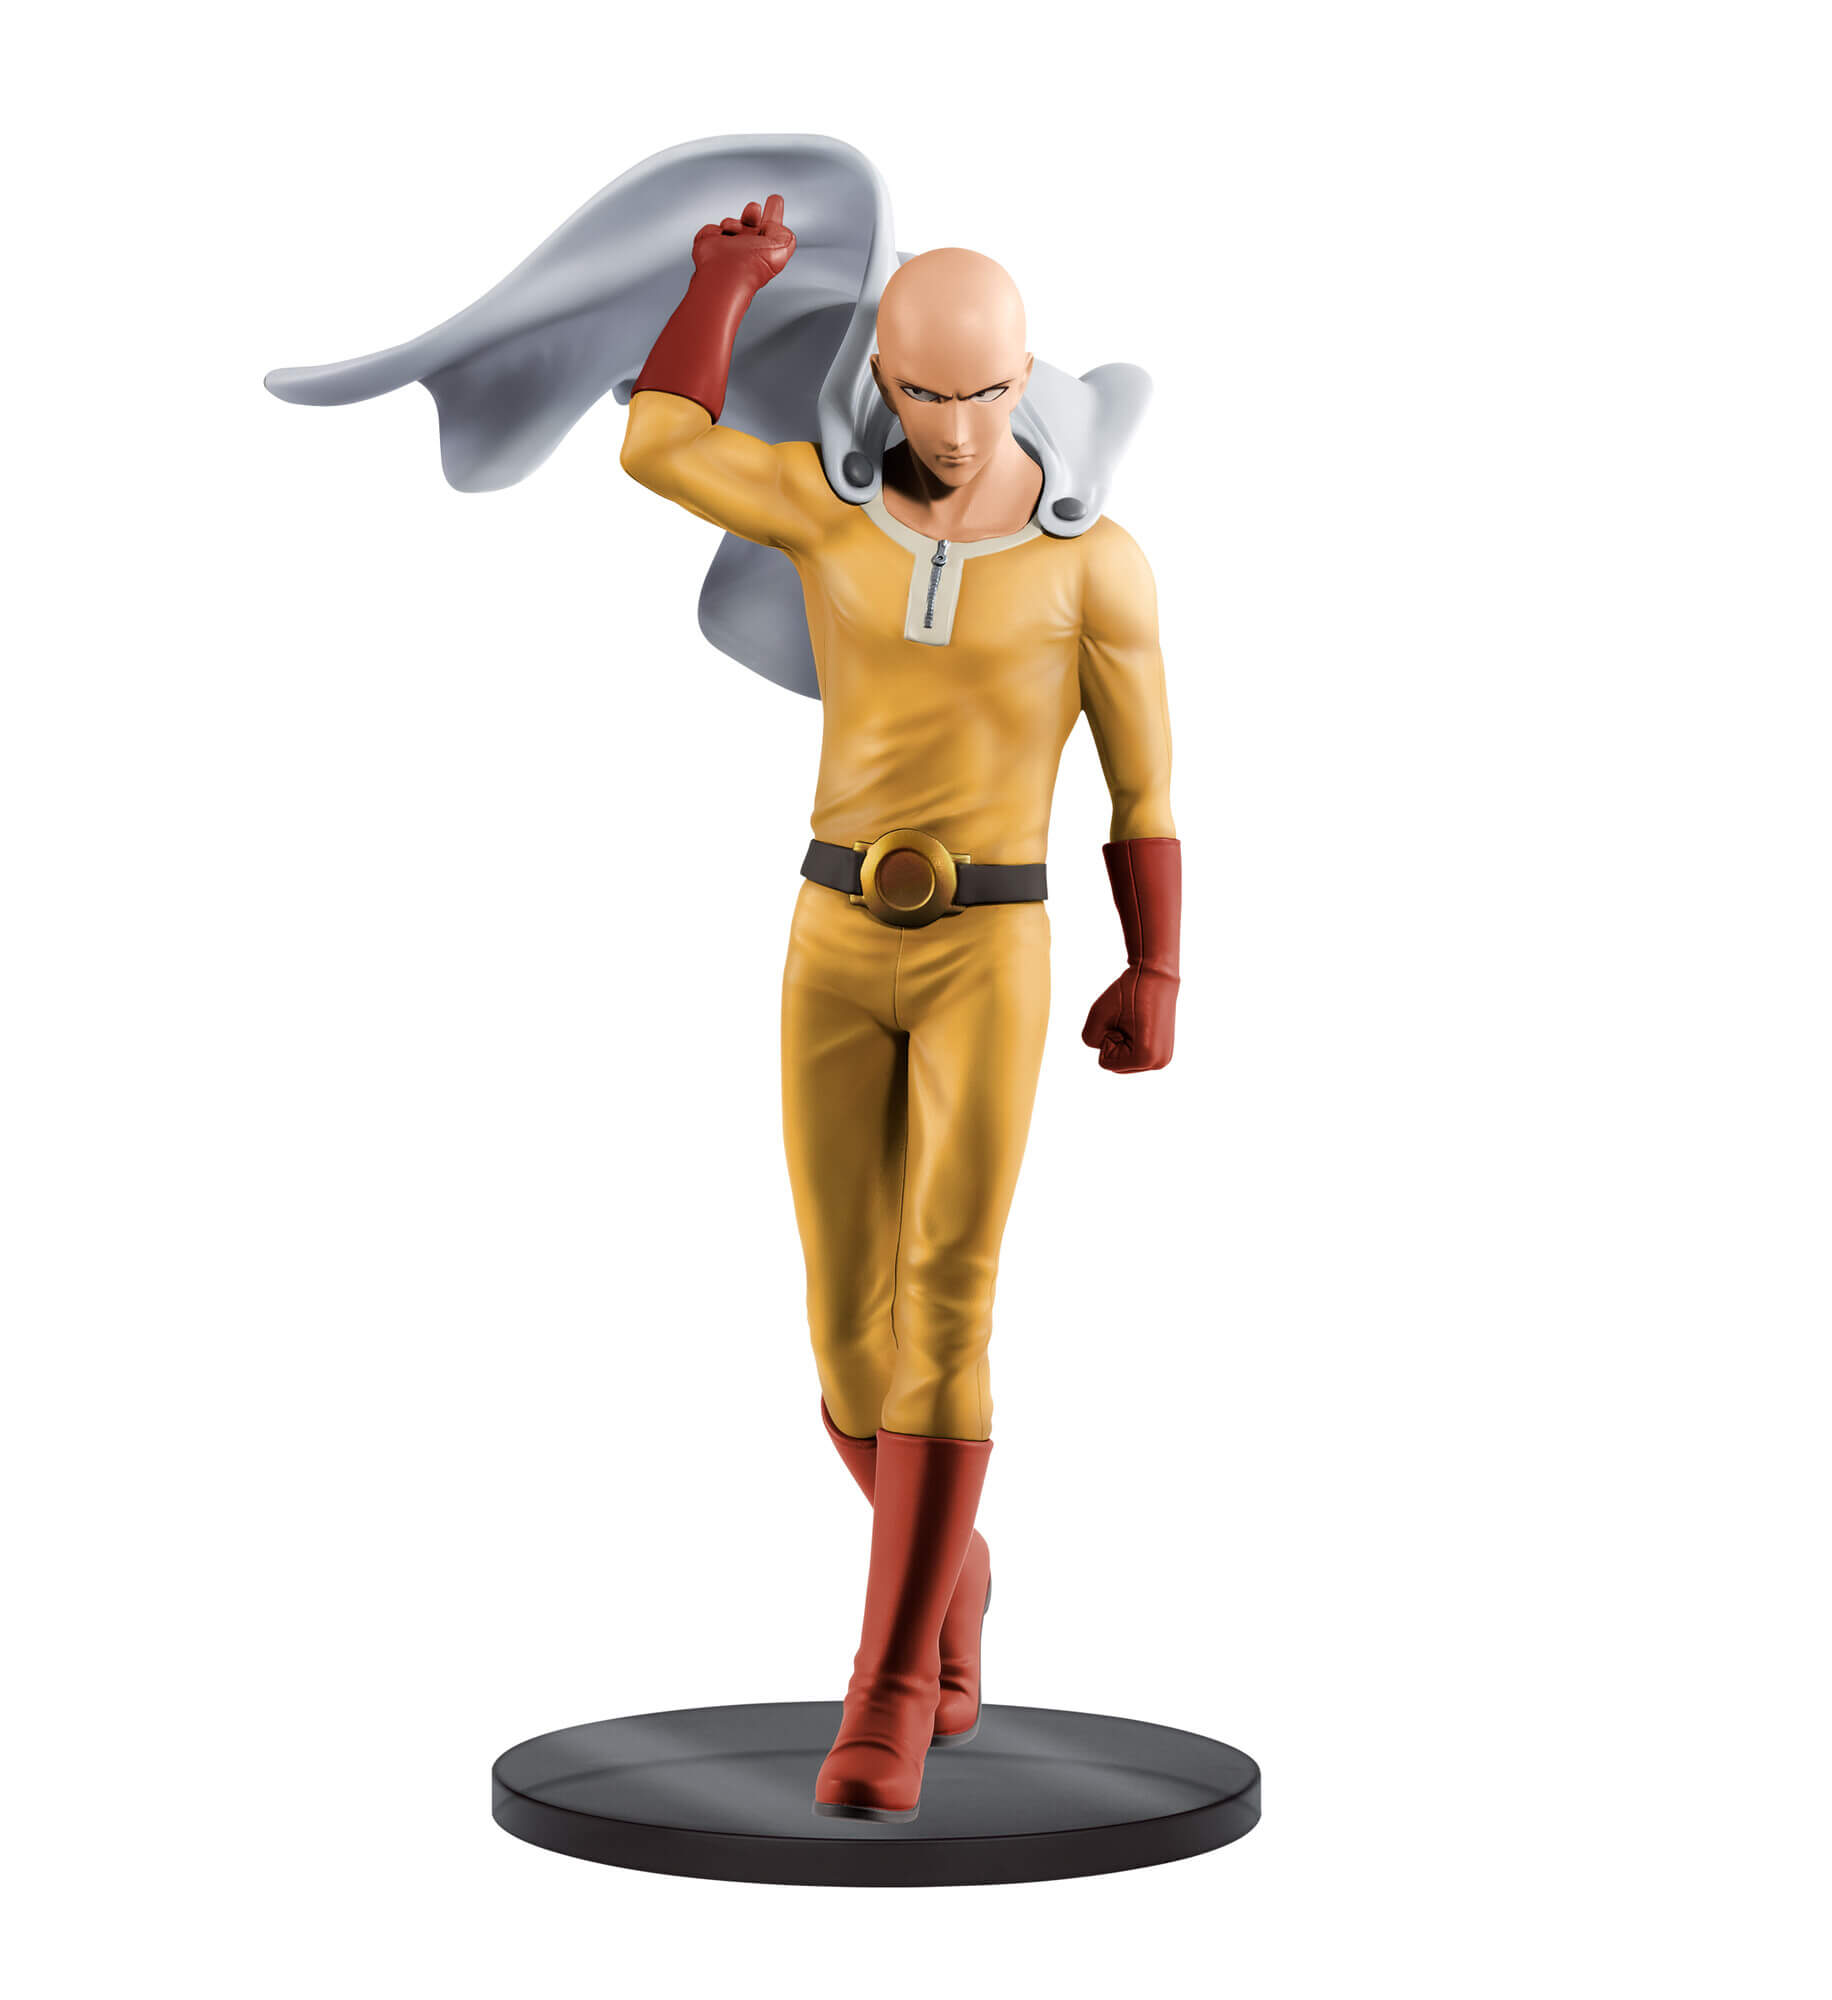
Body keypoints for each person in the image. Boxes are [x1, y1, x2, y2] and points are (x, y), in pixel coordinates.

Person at [620, 195, 1183, 1822]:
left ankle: (887, 1695)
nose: (957, 426)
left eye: (987, 391)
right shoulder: (834, 512)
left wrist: (1156, 961)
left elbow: (1143, 789)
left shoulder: (1095, 564)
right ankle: (950, 1567)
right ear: (883, 378)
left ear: (1028, 373)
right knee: (841, 1338)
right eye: (926, 392)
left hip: (990, 947)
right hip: (832, 931)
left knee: (946, 1306)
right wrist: (723, 285)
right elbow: (658, 446)